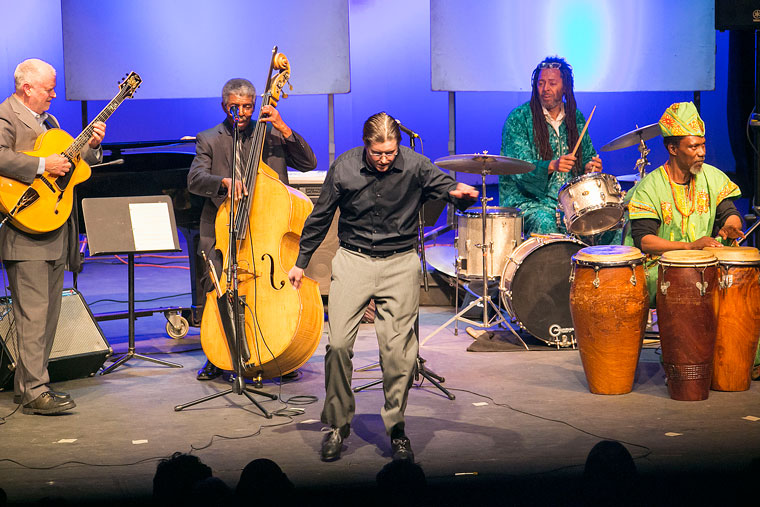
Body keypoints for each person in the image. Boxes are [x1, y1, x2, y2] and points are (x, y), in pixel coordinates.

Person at [287, 112, 478, 462]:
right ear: (366, 145)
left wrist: (459, 193)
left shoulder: (416, 165)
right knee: (339, 345)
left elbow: (445, 188)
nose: (385, 159)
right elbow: (320, 216)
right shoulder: (344, 168)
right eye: (378, 153)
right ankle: (337, 425)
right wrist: (301, 262)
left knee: (398, 355)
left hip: (400, 261)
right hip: (354, 259)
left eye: (390, 152)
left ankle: (397, 428)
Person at [187, 78, 317, 381]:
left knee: (264, 291)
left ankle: (275, 351)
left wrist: (284, 129)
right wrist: (223, 183)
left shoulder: (271, 135)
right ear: (224, 106)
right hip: (222, 227)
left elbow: (308, 163)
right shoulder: (209, 139)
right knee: (219, 288)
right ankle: (220, 356)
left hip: (267, 228)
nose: (242, 113)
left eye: (248, 106)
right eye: (235, 107)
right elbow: (194, 180)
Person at [0, 59, 105, 415]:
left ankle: (26, 387)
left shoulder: (53, 124)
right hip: (24, 232)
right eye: (48, 88)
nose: (54, 94)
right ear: (26, 88)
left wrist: (90, 147)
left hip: (55, 227)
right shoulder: (5, 117)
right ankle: (36, 390)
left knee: (48, 317)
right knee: (32, 315)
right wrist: (43, 165)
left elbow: (74, 167)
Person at [625, 101, 743, 304]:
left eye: (703, 145)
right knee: (689, 284)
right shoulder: (649, 187)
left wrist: (731, 226)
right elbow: (644, 240)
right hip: (662, 269)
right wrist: (690, 248)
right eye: (693, 146)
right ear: (673, 148)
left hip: (709, 265)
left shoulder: (713, 177)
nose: (702, 152)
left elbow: (730, 213)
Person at [499, 56, 618, 242]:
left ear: (565, 88)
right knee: (546, 224)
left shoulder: (575, 118)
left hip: (568, 203)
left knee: (610, 224)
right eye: (540, 83)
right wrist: (552, 165)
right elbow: (519, 169)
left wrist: (590, 167)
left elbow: (587, 156)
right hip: (528, 202)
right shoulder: (519, 119)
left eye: (552, 83)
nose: (545, 89)